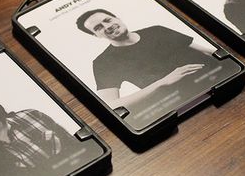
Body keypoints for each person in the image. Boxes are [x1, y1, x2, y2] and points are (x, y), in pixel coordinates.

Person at [76, 9, 221, 113]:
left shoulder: (156, 30)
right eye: (98, 28)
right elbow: (111, 104)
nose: (107, 27)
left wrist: (228, 60)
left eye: (107, 20)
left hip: (217, 80)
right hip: (183, 104)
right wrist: (162, 82)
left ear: (117, 18)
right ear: (96, 36)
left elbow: (206, 51)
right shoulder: (103, 63)